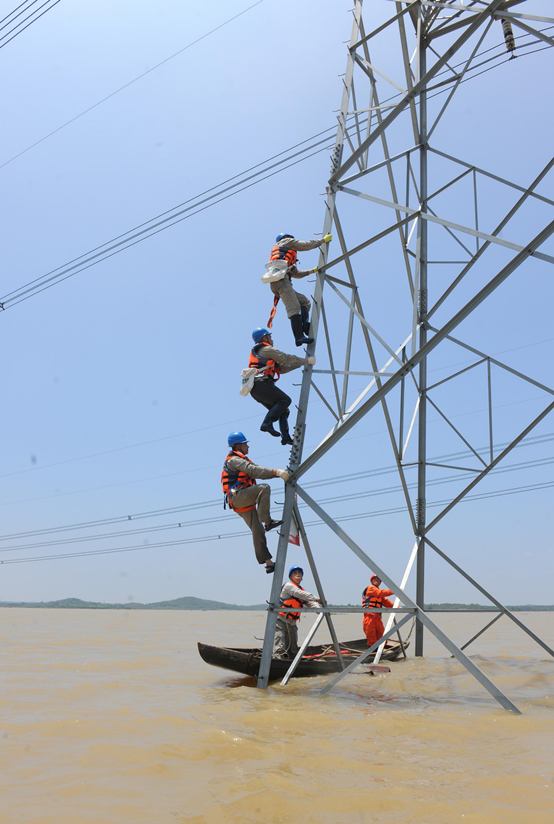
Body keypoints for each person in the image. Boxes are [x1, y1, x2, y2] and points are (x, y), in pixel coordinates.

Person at [221, 432, 290, 573]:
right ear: (238, 446)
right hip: (239, 497)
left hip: (240, 499)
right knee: (264, 488)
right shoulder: (234, 460)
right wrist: (277, 472)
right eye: (245, 444)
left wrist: (276, 473)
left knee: (257, 530)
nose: (248, 446)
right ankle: (267, 521)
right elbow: (254, 471)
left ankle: (268, 563)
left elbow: (256, 470)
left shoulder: (240, 459)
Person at [249, 327, 316, 445]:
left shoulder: (263, 354)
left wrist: (300, 363)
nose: (271, 339)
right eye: (269, 336)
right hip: (261, 383)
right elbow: (285, 358)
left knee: (283, 410)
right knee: (285, 400)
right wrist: (306, 361)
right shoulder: (266, 349)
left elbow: (282, 368)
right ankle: (267, 423)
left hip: (256, 389)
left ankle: (285, 437)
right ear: (264, 338)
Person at [268, 231, 332, 346]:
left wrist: (312, 271)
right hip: (281, 280)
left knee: (304, 301)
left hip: (280, 281)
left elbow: (295, 273)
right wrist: (322, 241)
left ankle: (305, 326)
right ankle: (299, 337)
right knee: (293, 307)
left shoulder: (285, 257)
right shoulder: (286, 241)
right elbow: (305, 245)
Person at [273, 565, 321, 659]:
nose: (298, 574)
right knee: (279, 646)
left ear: (302, 577)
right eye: (295, 573)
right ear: (290, 577)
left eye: (299, 573)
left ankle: (293, 663)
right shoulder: (289, 586)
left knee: (293, 649)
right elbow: (300, 594)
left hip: (292, 623)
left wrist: (322, 611)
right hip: (281, 621)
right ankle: (277, 661)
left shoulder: (303, 591)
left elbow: (310, 603)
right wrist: (317, 598)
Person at [362, 573, 395, 648]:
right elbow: (380, 593)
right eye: (375, 578)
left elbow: (387, 602)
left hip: (377, 618)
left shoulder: (379, 594)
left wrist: (398, 607)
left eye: (378, 579)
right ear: (371, 580)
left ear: (380, 582)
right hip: (369, 617)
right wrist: (394, 591)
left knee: (382, 636)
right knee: (371, 637)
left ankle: (381, 652)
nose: (376, 580)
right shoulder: (371, 588)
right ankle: (372, 653)